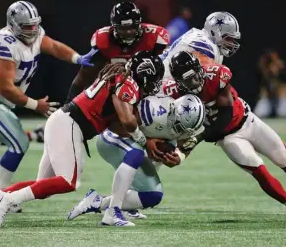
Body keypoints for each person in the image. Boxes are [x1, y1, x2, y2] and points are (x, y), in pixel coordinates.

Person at [0, 51, 164, 228]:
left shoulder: (121, 77)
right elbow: (127, 122)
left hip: (65, 122)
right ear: (144, 74)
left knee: (44, 186)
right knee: (69, 181)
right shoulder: (127, 83)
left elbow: (115, 124)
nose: (155, 85)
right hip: (70, 124)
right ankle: (5, 200)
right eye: (154, 79)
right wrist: (143, 140)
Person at [0, 1, 93, 210]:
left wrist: (77, 58)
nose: (33, 30)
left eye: (35, 25)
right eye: (28, 27)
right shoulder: (4, 42)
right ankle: (0, 198)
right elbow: (6, 87)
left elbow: (53, 46)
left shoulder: (35, 35)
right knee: (19, 143)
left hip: (1, 103)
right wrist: (37, 106)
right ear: (14, 25)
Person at [166, 51, 286, 222]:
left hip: (247, 122)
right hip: (229, 139)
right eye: (188, 80)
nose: (195, 82)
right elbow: (181, 131)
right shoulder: (176, 97)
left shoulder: (216, 75)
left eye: (195, 75)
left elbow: (226, 115)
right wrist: (180, 154)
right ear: (179, 82)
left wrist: (199, 138)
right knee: (259, 171)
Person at [26, 1, 170, 143]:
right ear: (113, 27)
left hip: (149, 92)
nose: (128, 32)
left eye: (132, 27)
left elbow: (164, 71)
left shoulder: (155, 38)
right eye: (122, 28)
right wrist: (67, 110)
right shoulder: (104, 40)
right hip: (118, 94)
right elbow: (83, 76)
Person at [68, 93, 205, 226]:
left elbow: (182, 145)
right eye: (179, 125)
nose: (180, 131)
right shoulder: (154, 109)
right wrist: (146, 141)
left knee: (153, 195)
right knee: (137, 152)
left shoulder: (183, 125)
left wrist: (177, 157)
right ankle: (112, 213)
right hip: (112, 138)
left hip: (135, 145)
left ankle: (98, 202)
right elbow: (117, 125)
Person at [254, 49, 286, 118]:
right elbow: (263, 83)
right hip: (268, 97)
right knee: (259, 114)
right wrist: (268, 71)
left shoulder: (282, 67)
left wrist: (278, 70)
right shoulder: (262, 68)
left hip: (281, 96)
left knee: (283, 115)